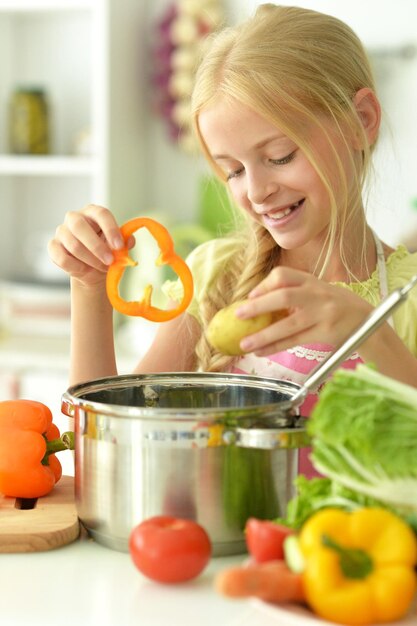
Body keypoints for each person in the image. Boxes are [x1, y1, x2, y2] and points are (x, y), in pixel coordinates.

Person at [48, 4, 417, 476]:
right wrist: (88, 288)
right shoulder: (215, 275)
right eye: (234, 170)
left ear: (361, 120)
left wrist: (369, 331)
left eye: (280, 156)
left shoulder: (403, 302)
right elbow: (109, 456)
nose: (257, 191)